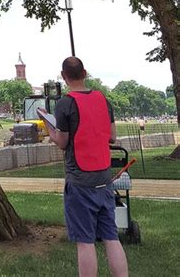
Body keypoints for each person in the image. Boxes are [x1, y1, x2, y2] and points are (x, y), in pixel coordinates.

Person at [45, 57, 128, 277]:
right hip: (104, 176)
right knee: (111, 236)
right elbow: (112, 136)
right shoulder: (103, 100)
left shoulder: (65, 104)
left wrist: (49, 130)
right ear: (85, 73)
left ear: (63, 77)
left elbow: (63, 142)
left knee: (85, 241)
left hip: (79, 180)